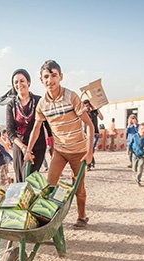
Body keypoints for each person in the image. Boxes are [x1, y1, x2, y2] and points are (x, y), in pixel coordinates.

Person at [23, 60, 95, 229]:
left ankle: (82, 216)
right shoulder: (42, 104)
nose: (50, 80)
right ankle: (49, 219)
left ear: (61, 77)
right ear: (41, 80)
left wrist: (89, 152)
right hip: (60, 151)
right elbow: (36, 128)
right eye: (46, 76)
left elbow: (89, 125)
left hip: (78, 151)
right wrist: (28, 150)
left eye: (54, 75)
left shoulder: (71, 97)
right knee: (49, 186)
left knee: (78, 187)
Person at [5, 68, 50, 182]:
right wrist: (23, 147)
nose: (19, 84)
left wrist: (53, 147)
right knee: (20, 180)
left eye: (22, 81)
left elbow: (48, 126)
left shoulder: (39, 101)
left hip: (37, 146)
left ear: (28, 82)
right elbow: (10, 131)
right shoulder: (11, 105)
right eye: (16, 82)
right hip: (19, 147)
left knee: (30, 178)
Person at [83, 99, 104, 171]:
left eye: (88, 105)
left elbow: (101, 118)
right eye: (85, 105)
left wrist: (98, 109)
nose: (87, 107)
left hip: (95, 133)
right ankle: (90, 163)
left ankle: (90, 163)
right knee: (90, 149)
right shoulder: (83, 113)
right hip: (87, 134)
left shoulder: (94, 111)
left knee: (91, 149)